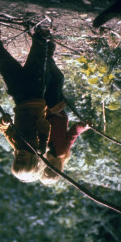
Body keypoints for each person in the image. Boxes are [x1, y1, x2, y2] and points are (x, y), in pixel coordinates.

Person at [0, 27, 51, 183]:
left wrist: (4, 122)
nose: (20, 158)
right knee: (36, 63)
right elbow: (44, 124)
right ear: (33, 160)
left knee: (6, 67)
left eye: (17, 161)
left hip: (19, 98)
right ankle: (41, 36)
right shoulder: (37, 144)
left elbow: (3, 130)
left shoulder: (16, 143)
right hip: (35, 95)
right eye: (24, 162)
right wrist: (42, 142)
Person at [41, 40, 91, 186]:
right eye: (56, 169)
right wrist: (84, 126)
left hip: (46, 109)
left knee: (51, 80)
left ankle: (45, 51)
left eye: (49, 168)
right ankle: (47, 54)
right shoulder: (62, 152)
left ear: (44, 166)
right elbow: (73, 133)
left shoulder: (40, 149)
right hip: (60, 111)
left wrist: (50, 112)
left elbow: (36, 122)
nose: (54, 165)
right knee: (57, 80)